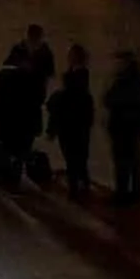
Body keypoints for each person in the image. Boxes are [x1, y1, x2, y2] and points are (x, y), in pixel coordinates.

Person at [46, 44, 95, 199]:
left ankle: (77, 186)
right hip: (73, 120)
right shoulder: (77, 75)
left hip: (73, 120)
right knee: (75, 154)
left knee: (75, 154)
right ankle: (80, 183)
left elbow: (72, 96)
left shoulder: (79, 76)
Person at [104, 50, 140, 206]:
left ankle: (127, 192)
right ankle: (128, 192)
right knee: (127, 161)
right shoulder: (135, 80)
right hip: (125, 126)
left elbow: (112, 99)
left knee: (127, 161)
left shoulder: (129, 81)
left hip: (126, 126)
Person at [7, 24, 55, 136]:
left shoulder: (44, 52)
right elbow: (8, 65)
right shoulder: (19, 49)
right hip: (21, 89)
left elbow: (49, 72)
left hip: (35, 90)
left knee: (31, 119)